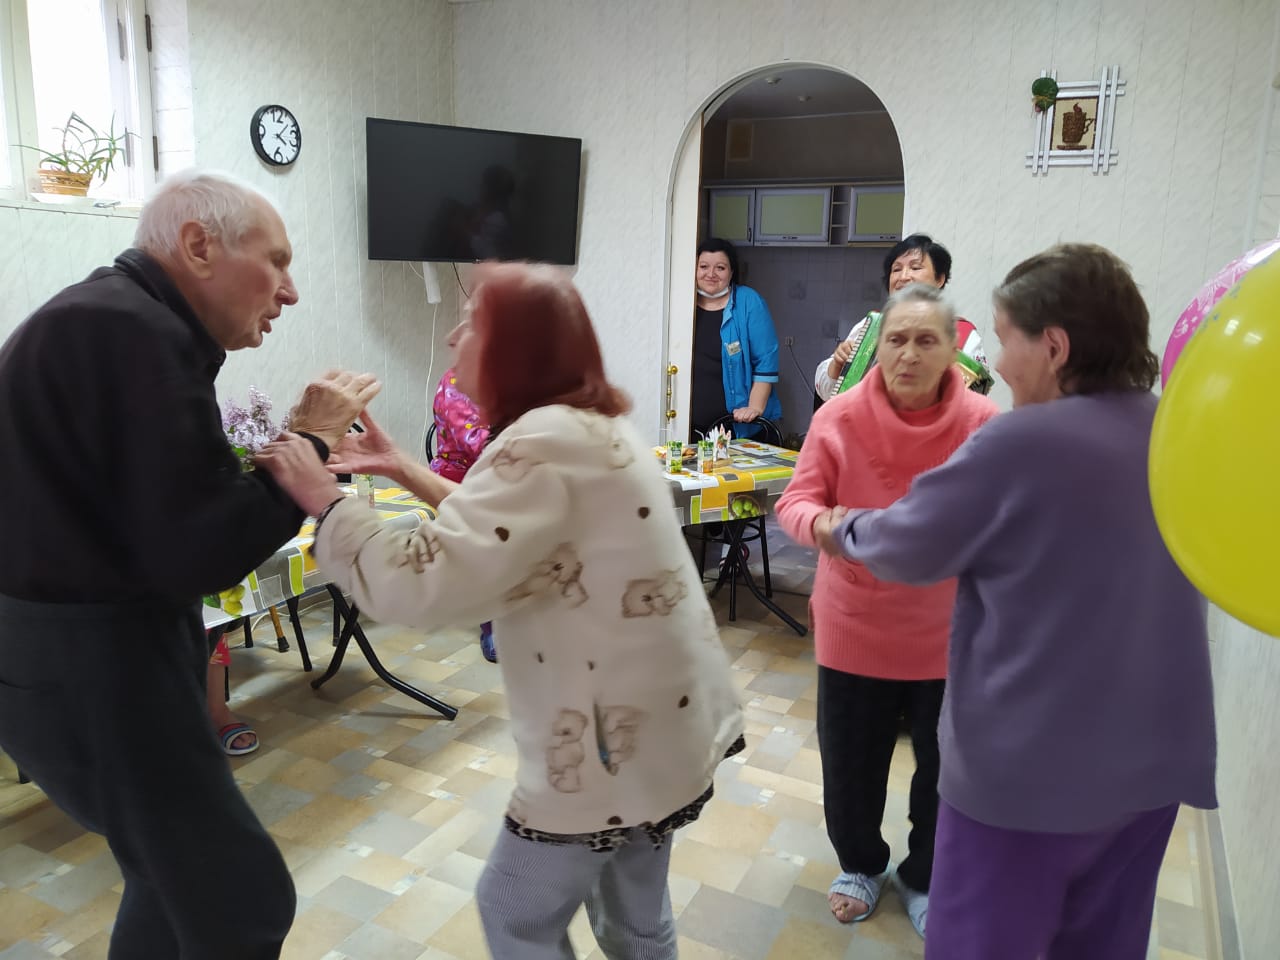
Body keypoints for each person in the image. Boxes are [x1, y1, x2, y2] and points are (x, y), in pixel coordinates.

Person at [257, 262, 745, 960]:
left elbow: (421, 584)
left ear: (517, 349)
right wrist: (400, 465)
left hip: (609, 740)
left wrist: (324, 500)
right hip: (663, 723)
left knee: (514, 913)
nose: (452, 337)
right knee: (634, 918)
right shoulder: (585, 429)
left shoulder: (539, 443)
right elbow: (518, 541)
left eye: (471, 324)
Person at [0, 168, 380, 959]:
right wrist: (311, 439)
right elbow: (202, 550)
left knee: (173, 886)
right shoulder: (129, 329)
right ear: (200, 246)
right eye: (276, 262)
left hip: (66, 658)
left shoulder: (104, 317)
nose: (291, 292)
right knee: (242, 899)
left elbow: (157, 518)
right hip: (92, 666)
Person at [813, 244, 1217, 959]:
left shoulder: (1019, 442)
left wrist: (839, 528)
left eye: (1005, 341)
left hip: (1031, 776)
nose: (996, 365)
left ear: (1054, 347)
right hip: (1152, 767)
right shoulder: (1175, 433)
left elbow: (909, 543)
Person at [776, 283, 998, 938]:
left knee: (946, 772)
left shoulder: (983, 424)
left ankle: (926, 875)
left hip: (949, 632)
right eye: (897, 339)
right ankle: (861, 865)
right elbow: (795, 501)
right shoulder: (838, 417)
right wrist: (820, 524)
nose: (908, 353)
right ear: (878, 347)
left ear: (952, 352)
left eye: (926, 340)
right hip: (855, 623)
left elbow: (1006, 516)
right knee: (851, 764)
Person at [813, 234, 989, 401]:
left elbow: (976, 401)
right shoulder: (871, 326)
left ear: (939, 279)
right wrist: (838, 365)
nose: (903, 277)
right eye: (896, 269)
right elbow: (826, 393)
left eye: (915, 267)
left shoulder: (963, 334)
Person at [429, 366, 496, 662]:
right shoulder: (457, 381)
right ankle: (493, 626)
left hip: (495, 475)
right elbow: (477, 443)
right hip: (458, 481)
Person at [690, 237, 782, 439]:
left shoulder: (749, 301)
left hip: (738, 427)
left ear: (731, 272)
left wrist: (754, 408)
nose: (711, 274)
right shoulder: (682, 301)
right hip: (690, 426)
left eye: (720, 268)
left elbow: (766, 361)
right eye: (703, 266)